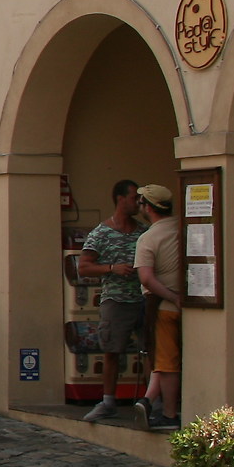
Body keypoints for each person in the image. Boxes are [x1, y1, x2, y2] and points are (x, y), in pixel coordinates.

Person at [78, 180, 146, 423]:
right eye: (133, 198)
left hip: (144, 299)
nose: (138, 202)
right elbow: (84, 267)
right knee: (111, 351)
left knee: (151, 351)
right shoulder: (102, 233)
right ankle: (108, 401)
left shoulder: (143, 231)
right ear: (120, 199)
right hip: (116, 300)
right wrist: (111, 268)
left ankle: (151, 401)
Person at [134, 183, 186, 430]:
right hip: (193, 305)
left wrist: (172, 296)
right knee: (169, 360)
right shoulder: (183, 228)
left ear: (148, 207)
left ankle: (168, 413)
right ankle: (149, 399)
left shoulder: (149, 237)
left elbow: (146, 278)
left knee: (166, 362)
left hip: (163, 306)